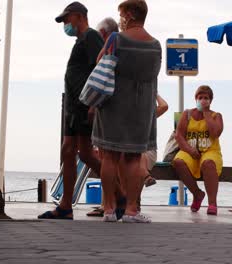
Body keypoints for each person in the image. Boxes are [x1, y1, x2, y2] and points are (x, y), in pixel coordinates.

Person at [92, 0, 161, 223]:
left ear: (130, 15)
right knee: (133, 158)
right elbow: (152, 76)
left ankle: (109, 209)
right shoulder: (155, 45)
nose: (120, 19)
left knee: (109, 157)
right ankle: (132, 210)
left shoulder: (116, 39)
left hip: (113, 105)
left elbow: (99, 63)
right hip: (141, 109)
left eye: (121, 14)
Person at [38, 2, 104, 220]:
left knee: (81, 152)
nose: (65, 24)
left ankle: (121, 193)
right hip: (72, 106)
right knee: (72, 150)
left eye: (66, 19)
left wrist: (94, 104)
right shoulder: (80, 41)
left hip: (83, 105)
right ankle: (66, 205)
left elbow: (101, 69)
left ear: (78, 16)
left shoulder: (92, 37)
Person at [173, 85, 224, 215]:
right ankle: (197, 194)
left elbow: (215, 133)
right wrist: (190, 150)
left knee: (208, 163)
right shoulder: (187, 114)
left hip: (210, 150)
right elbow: (179, 135)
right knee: (178, 162)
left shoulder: (216, 116)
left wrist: (206, 113)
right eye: (200, 97)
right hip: (190, 150)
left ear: (210, 100)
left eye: (206, 98)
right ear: (195, 99)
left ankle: (212, 203)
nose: (203, 100)